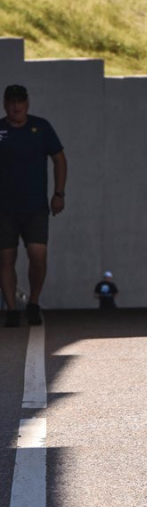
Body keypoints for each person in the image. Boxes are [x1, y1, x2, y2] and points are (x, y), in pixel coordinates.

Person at [0, 84, 67, 328]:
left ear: (27, 103)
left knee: (37, 256)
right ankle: (11, 308)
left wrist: (58, 193)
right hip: (4, 209)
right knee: (6, 259)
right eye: (11, 101)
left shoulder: (41, 127)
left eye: (20, 101)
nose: (16, 106)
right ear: (5, 103)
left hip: (35, 207)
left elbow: (59, 158)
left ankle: (34, 302)